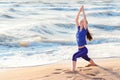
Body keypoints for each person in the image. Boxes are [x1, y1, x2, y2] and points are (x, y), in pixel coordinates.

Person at [72, 6, 97, 72]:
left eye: (82, 21)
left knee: (74, 56)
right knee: (86, 58)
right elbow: (76, 19)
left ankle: (73, 70)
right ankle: (93, 64)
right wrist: (79, 11)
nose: (81, 21)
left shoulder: (84, 30)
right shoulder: (78, 29)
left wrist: (83, 11)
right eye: (81, 21)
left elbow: (85, 18)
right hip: (80, 49)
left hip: (83, 50)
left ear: (84, 23)